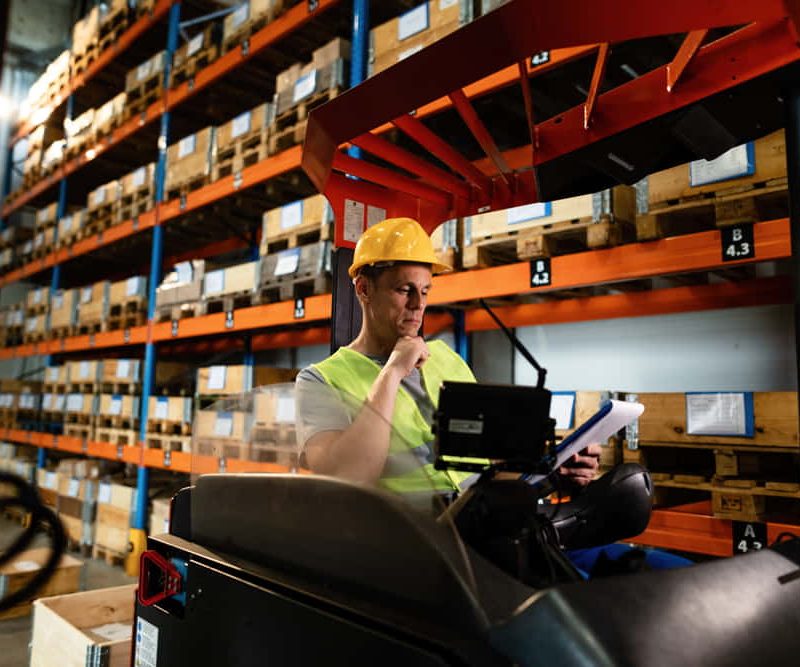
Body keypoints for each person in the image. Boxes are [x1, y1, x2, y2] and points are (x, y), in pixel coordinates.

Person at [294, 217, 601, 498]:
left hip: (474, 516)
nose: (418, 305)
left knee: (624, 490)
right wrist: (391, 374)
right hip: (406, 533)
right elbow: (347, 479)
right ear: (363, 289)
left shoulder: (446, 358)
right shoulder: (320, 380)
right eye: (405, 290)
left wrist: (551, 470)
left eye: (425, 291)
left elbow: (489, 462)